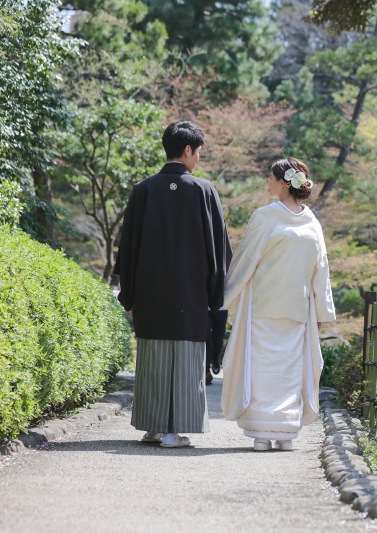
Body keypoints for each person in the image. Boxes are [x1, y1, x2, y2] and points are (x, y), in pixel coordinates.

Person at [114, 121, 232, 448]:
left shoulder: (143, 190)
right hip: (190, 295)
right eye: (198, 153)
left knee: (152, 359)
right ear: (188, 150)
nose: (198, 159)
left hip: (150, 295)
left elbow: (128, 248)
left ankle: (152, 427)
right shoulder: (205, 191)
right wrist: (215, 293)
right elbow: (218, 249)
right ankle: (173, 432)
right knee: (184, 361)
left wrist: (130, 295)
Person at [221, 157, 336, 451]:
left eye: (271, 178)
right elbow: (320, 268)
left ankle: (264, 433)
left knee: (264, 368)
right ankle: (284, 433)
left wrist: (224, 295)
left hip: (265, 302)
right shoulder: (312, 223)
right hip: (295, 306)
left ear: (284, 183)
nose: (267, 183)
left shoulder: (265, 216)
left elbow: (245, 258)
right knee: (288, 369)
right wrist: (322, 310)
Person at [205, 307, 228, 385]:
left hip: (221, 307)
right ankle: (206, 371)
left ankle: (215, 357)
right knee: (206, 338)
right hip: (205, 306)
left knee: (218, 340)